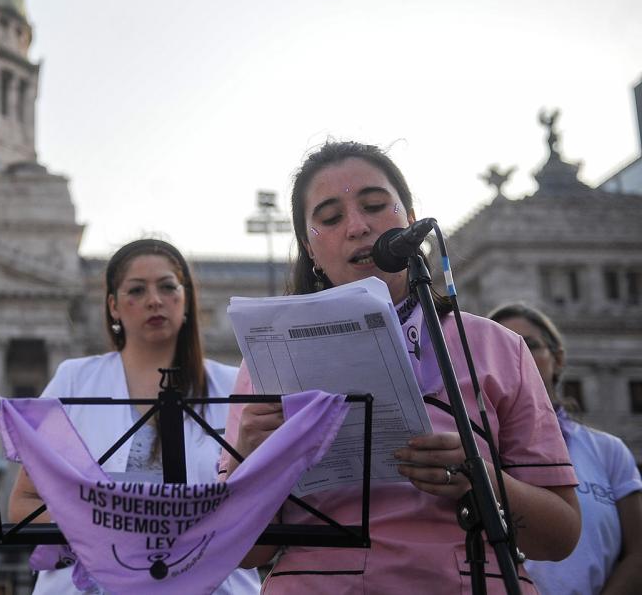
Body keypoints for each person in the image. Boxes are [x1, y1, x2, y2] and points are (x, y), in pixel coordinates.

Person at [221, 142, 580, 593]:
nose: (358, 226)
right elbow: (241, 552)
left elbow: (561, 535)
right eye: (330, 219)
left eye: (374, 205)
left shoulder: (498, 347)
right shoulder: (265, 361)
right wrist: (252, 462)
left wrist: (482, 479)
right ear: (310, 251)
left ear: (411, 221)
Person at [8, 238, 261, 594]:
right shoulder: (73, 380)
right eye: (137, 290)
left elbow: (260, 505)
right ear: (113, 306)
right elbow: (23, 505)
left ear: (186, 299)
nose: (154, 300)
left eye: (167, 286)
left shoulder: (234, 385)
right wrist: (107, 526)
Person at [489, 302, 642, 595]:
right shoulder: (472, 447)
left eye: (528, 344)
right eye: (499, 345)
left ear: (558, 359)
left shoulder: (609, 451)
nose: (515, 354)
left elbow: (638, 554)